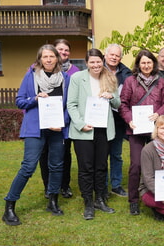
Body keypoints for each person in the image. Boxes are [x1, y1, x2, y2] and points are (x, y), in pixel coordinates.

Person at [2, 44, 70, 226]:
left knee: (56, 166)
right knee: (28, 166)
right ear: (40, 59)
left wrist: (61, 122)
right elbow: (19, 101)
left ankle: (53, 202)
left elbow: (68, 105)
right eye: (45, 57)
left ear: (57, 58)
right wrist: (35, 99)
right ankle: (9, 205)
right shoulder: (31, 76)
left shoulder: (64, 78)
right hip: (35, 129)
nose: (48, 60)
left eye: (52, 57)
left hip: (56, 130)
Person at [67, 48, 119, 220]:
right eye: (92, 62)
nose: (96, 65)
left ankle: (100, 199)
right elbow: (71, 104)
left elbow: (118, 103)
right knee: (86, 168)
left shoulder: (110, 77)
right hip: (84, 131)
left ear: (102, 61)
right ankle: (88, 202)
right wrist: (81, 124)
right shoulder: (77, 78)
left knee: (101, 166)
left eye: (98, 61)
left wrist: (111, 96)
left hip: (103, 129)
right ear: (87, 62)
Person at [119, 49, 164, 216]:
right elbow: (123, 104)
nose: (146, 65)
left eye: (149, 62)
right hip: (136, 129)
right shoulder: (130, 81)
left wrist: (159, 114)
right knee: (136, 165)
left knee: (159, 164)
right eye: (143, 62)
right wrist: (129, 120)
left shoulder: (160, 82)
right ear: (138, 64)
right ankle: (134, 200)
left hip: (156, 130)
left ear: (153, 64)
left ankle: (159, 196)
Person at [39, 39, 79, 199]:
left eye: (66, 50)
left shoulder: (74, 71)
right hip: (44, 122)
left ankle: (64, 185)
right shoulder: (36, 70)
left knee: (65, 154)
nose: (63, 53)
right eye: (60, 50)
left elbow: (72, 100)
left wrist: (64, 121)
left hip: (63, 122)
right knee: (44, 153)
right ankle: (48, 186)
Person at [104, 43, 133, 197]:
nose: (114, 57)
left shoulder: (126, 73)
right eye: (112, 54)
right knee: (102, 153)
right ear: (105, 55)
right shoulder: (96, 69)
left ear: (120, 57)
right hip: (100, 117)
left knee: (116, 153)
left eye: (117, 55)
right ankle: (102, 186)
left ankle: (116, 184)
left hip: (118, 117)